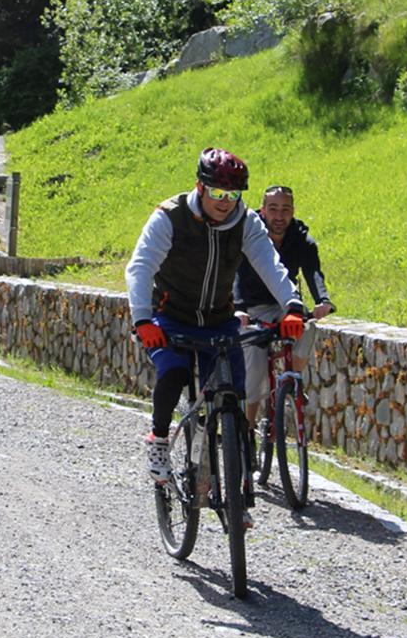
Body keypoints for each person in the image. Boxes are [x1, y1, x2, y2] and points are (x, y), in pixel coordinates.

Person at [124, 148, 305, 492]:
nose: (225, 202)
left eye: (233, 195)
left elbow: (270, 263)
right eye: (218, 194)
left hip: (219, 321)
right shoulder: (170, 216)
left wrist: (292, 304)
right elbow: (140, 267)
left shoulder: (247, 222)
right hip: (169, 317)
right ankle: (159, 439)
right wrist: (142, 320)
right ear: (200, 187)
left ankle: (237, 493)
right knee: (175, 372)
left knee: (231, 399)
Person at [233, 185, 335, 432]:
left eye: (285, 210)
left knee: (307, 328)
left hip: (285, 306)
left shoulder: (301, 238)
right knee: (255, 369)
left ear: (293, 211)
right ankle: (247, 427)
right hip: (253, 309)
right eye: (273, 209)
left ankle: (292, 381)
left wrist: (323, 300)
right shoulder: (249, 235)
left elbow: (313, 272)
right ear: (263, 210)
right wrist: (238, 308)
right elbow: (235, 273)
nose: (279, 216)